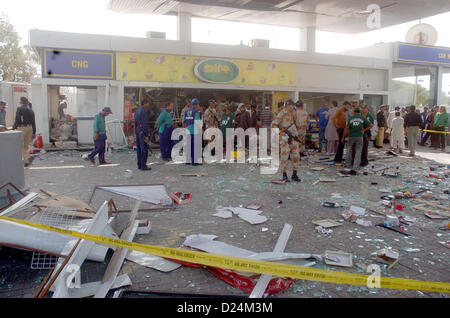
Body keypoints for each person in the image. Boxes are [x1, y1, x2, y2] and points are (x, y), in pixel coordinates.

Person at [271, 99, 301, 183]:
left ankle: (294, 174)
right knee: (284, 156)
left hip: (294, 137)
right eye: (291, 105)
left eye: (293, 105)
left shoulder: (293, 113)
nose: (292, 107)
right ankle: (284, 175)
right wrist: (280, 132)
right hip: (285, 137)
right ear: (287, 105)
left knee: (296, 156)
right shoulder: (282, 113)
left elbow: (298, 126)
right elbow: (273, 124)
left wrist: (296, 118)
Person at [343, 107, 372, 174]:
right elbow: (371, 125)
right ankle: (355, 166)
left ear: (354, 112)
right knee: (358, 151)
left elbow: (346, 128)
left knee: (349, 150)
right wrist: (364, 130)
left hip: (351, 136)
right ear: (360, 112)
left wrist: (343, 137)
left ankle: (347, 164)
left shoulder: (350, 118)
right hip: (359, 136)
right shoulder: (362, 118)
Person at [13, 97, 36, 166]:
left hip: (22, 128)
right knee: (26, 145)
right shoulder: (31, 110)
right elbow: (33, 122)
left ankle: (27, 158)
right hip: (30, 128)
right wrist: (34, 131)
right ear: (27, 102)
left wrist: (13, 128)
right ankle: (27, 159)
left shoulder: (20, 109)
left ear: (21, 102)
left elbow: (17, 120)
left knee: (20, 145)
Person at [182, 98, 203, 165]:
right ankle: (194, 162)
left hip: (188, 131)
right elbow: (197, 122)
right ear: (196, 105)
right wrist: (202, 130)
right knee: (195, 146)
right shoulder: (195, 112)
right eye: (198, 104)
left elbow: (183, 121)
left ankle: (188, 161)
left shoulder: (186, 111)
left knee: (188, 146)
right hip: (194, 131)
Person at [134, 100, 151, 170]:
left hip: (138, 130)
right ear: (145, 104)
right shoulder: (143, 111)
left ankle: (139, 164)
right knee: (144, 149)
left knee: (139, 149)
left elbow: (135, 122)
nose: (148, 105)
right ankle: (143, 165)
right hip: (142, 131)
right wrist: (146, 135)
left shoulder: (137, 111)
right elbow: (144, 124)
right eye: (148, 103)